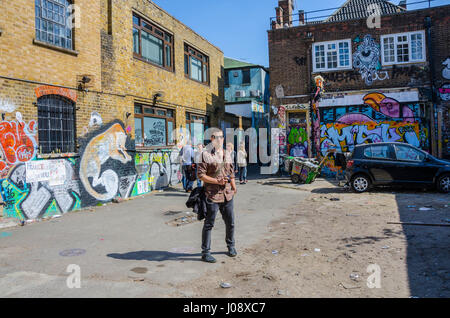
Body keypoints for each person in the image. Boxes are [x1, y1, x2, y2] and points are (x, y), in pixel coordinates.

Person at [197, 129, 237, 263]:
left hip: (227, 194)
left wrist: (234, 186)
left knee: (230, 223)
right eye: (216, 137)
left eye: (221, 137)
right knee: (209, 224)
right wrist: (216, 181)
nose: (219, 139)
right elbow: (200, 175)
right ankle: (205, 252)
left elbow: (231, 172)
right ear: (212, 139)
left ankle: (231, 246)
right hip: (212, 195)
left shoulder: (227, 154)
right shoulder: (205, 155)